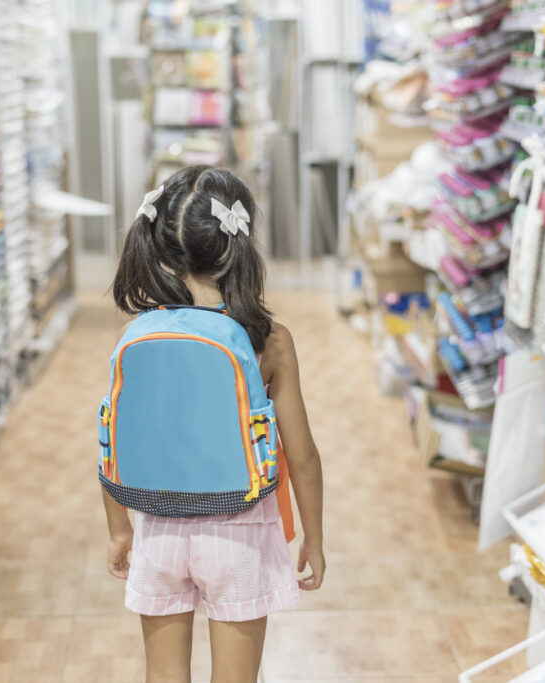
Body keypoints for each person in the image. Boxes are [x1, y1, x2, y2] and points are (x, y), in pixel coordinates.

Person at [100, 165, 325, 683]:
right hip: (240, 534)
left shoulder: (138, 331)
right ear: (238, 245)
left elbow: (115, 432)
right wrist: (313, 537)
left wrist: (118, 529)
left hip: (156, 527)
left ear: (157, 246)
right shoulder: (268, 339)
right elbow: (303, 456)